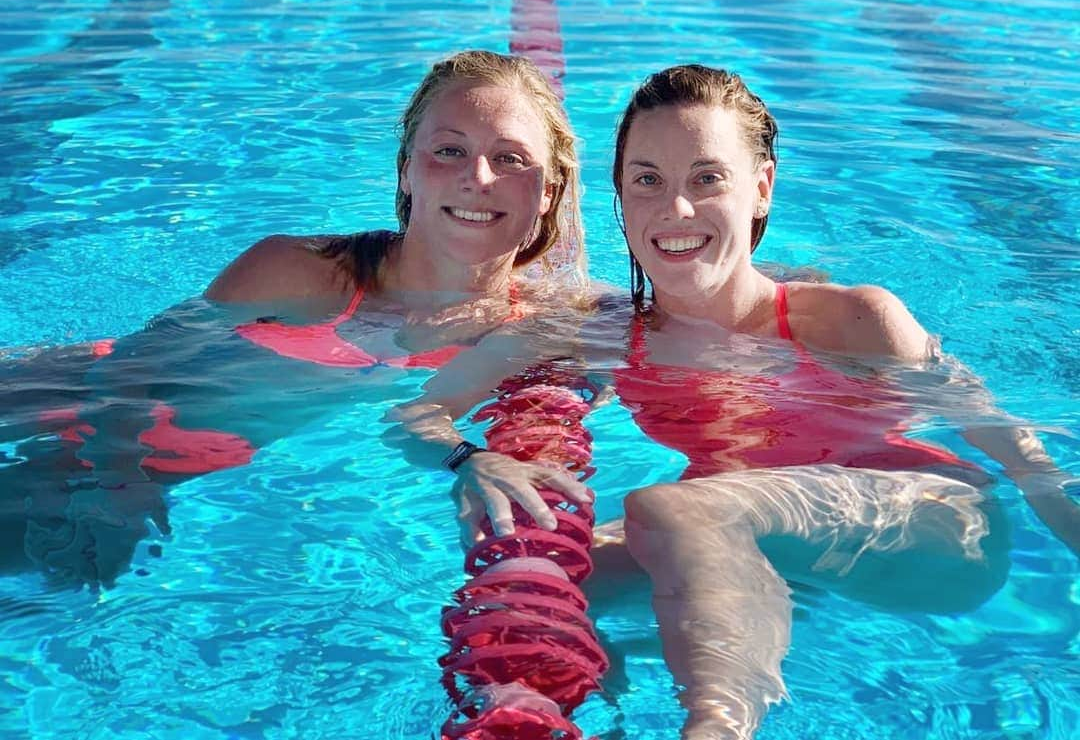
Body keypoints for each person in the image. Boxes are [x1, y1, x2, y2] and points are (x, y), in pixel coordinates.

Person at [608, 65, 1080, 739]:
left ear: (762, 188)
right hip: (761, 537)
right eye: (647, 179)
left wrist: (1064, 511)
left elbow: (1000, 431)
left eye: (707, 178)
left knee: (673, 507)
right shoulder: (610, 335)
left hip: (935, 526)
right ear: (621, 196)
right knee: (558, 576)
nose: (674, 209)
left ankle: (716, 727)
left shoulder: (852, 319)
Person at [0, 50, 589, 590]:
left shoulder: (527, 325)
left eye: (509, 158)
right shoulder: (300, 272)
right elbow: (131, 368)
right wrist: (117, 477)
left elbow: (416, 417)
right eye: (450, 150)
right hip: (64, 409)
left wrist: (469, 457)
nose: (477, 178)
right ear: (408, 170)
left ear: (548, 190)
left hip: (174, 457)